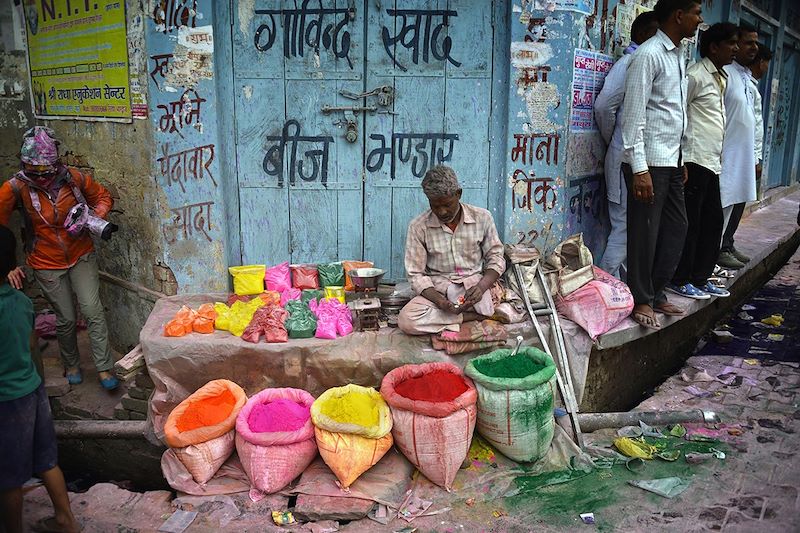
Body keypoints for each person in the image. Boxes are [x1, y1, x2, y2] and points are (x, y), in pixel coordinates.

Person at [0, 127, 119, 390]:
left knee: (93, 310)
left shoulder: (73, 178)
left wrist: (92, 216)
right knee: (65, 317)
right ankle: (72, 363)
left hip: (80, 253)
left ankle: (104, 367)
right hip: (45, 260)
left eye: (47, 170)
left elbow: (102, 196)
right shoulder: (14, 188)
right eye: (35, 171)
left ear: (57, 163)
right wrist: (6, 266)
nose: (42, 176)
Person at [619, 0, 702, 330]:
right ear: (678, 15)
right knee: (645, 233)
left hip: (670, 160)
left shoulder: (679, 55)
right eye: (696, 13)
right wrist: (639, 168)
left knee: (676, 228)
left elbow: (673, 113)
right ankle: (641, 297)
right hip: (648, 163)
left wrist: (680, 158)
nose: (700, 21)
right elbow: (634, 116)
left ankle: (655, 291)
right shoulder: (649, 54)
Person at [0, 225, 80, 533]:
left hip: (7, 400)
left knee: (8, 478)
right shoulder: (21, 303)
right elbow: (32, 343)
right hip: (32, 390)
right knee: (47, 461)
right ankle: (66, 519)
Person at [668, 22, 740, 300]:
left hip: (712, 162)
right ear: (713, 47)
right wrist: (681, 158)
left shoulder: (721, 77)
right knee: (692, 224)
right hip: (694, 161)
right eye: (731, 43)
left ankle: (701, 277)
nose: (735, 49)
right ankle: (681, 278)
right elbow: (679, 115)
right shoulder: (696, 74)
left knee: (712, 224)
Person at [398, 165, 506, 335]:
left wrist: (482, 286)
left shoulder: (482, 217)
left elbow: (496, 257)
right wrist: (440, 302)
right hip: (439, 290)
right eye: (435, 206)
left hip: (474, 286)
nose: (442, 211)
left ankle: (467, 313)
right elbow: (415, 275)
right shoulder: (418, 227)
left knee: (499, 303)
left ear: (458, 194)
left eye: (447, 204)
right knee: (406, 321)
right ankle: (471, 317)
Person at [595, 11, 660, 280]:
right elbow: (603, 107)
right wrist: (617, 141)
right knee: (623, 228)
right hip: (624, 156)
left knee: (631, 229)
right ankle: (602, 287)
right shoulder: (631, 62)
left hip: (631, 156)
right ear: (645, 35)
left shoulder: (646, 61)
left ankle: (618, 288)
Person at [718, 22, 760, 270]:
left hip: (741, 156)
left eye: (756, 43)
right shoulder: (726, 75)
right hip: (724, 156)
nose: (753, 48)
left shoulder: (746, 77)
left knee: (732, 207)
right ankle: (713, 255)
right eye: (748, 43)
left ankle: (723, 247)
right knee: (717, 211)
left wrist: (755, 156)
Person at [749, 42, 772, 191]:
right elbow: (753, 128)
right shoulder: (748, 88)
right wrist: (755, 159)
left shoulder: (751, 87)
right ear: (761, 62)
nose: (767, 68)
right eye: (767, 63)